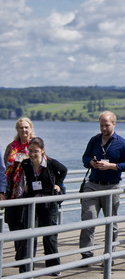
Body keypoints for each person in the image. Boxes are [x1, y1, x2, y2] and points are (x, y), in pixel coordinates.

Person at [79, 111, 125, 264]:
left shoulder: (122, 143)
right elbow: (85, 158)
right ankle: (86, 255)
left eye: (107, 125)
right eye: (101, 125)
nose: (103, 128)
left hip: (112, 187)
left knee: (111, 223)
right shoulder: (94, 140)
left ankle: (109, 255)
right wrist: (91, 163)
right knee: (88, 219)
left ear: (114, 124)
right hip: (93, 185)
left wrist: (111, 166)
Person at [21, 137, 67, 276]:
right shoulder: (26, 164)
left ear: (43, 151)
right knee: (30, 236)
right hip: (32, 203)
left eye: (36, 151)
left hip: (49, 204)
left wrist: (58, 184)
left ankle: (53, 268)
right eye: (30, 151)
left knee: (50, 237)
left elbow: (64, 170)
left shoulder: (51, 163)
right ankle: (27, 269)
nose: (32, 154)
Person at [4, 117, 34, 272]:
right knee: (12, 223)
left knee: (24, 224)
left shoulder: (35, 145)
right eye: (21, 128)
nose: (24, 130)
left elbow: (41, 165)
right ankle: (19, 255)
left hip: (28, 191)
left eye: (26, 127)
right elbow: (5, 168)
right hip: (13, 190)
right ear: (17, 129)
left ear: (31, 129)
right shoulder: (11, 147)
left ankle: (24, 258)